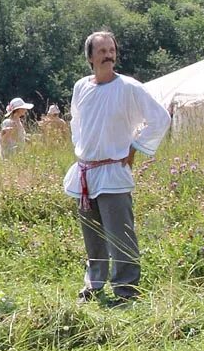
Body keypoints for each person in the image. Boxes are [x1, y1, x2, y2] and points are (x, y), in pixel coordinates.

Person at [62, 31, 171, 304]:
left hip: (113, 172)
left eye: (111, 50)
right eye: (102, 51)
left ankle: (126, 290)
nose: (108, 55)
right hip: (86, 172)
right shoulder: (81, 87)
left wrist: (135, 146)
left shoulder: (129, 87)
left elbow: (160, 118)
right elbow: (77, 122)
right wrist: (83, 151)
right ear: (90, 57)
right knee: (93, 237)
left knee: (120, 234)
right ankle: (94, 284)